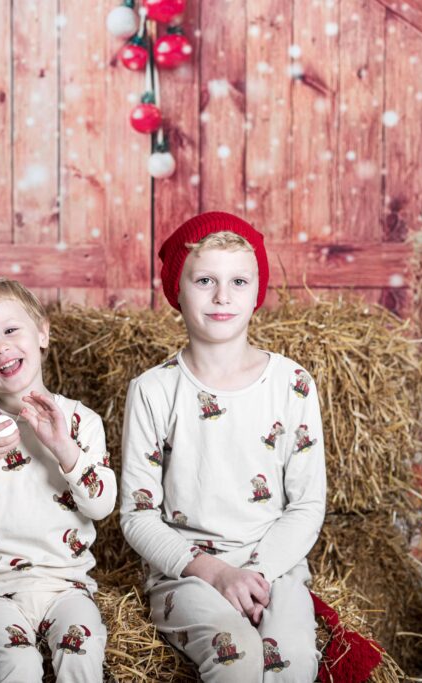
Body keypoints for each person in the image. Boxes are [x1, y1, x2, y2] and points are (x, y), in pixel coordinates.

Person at [119, 212, 326, 682]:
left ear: (257, 291)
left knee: (292, 663)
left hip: (275, 565)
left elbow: (308, 503)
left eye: (238, 280)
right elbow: (137, 514)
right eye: (205, 280)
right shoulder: (153, 390)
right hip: (187, 573)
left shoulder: (293, 383)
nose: (222, 296)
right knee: (238, 659)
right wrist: (213, 573)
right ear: (177, 291)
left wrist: (258, 572)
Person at [0, 277, 116, 682]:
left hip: (67, 587)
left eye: (10, 330)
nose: (0, 347)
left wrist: (65, 448)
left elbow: (101, 506)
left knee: (83, 655)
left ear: (42, 333)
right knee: (17, 667)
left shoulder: (80, 421)